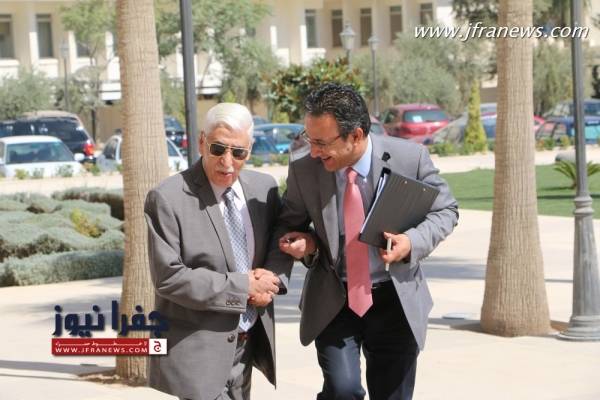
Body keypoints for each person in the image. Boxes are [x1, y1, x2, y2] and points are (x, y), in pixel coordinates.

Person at [269, 83, 459, 399]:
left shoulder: (410, 158)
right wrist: (306, 246)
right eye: (309, 139)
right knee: (342, 391)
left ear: (355, 135)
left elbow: (446, 210)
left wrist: (411, 242)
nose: (313, 151)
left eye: (321, 142)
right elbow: (289, 224)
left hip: (395, 300)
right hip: (334, 300)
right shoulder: (305, 169)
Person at [144, 103, 283, 400]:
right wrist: (244, 287)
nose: (227, 162)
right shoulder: (167, 198)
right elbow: (169, 277)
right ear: (201, 142)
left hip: (248, 345)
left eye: (239, 152)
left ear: (250, 149)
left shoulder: (265, 189)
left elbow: (279, 240)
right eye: (218, 149)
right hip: (198, 353)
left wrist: (269, 282)